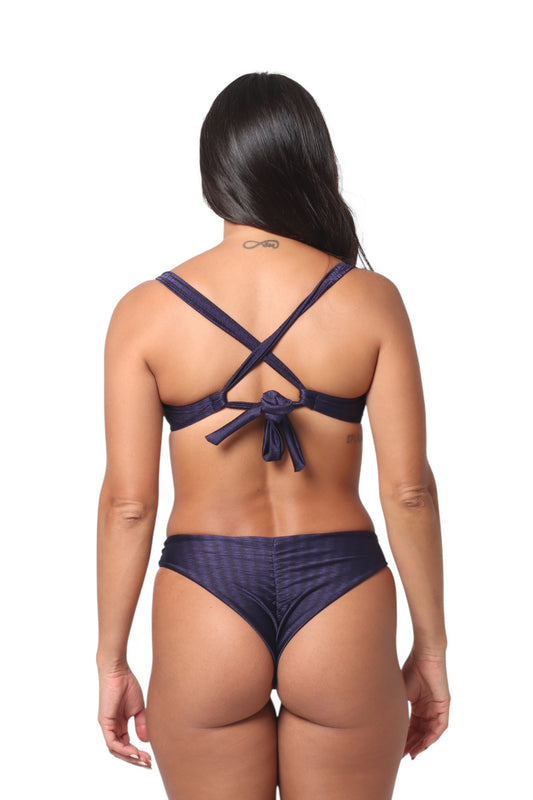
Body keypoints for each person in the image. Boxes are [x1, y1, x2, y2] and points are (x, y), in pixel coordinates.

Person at [96, 72, 450, 799]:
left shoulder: (145, 312)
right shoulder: (370, 300)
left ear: (213, 175)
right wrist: (432, 648)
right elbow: (409, 491)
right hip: (341, 591)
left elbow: (129, 506)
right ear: (312, 163)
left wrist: (111, 660)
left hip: (205, 591)